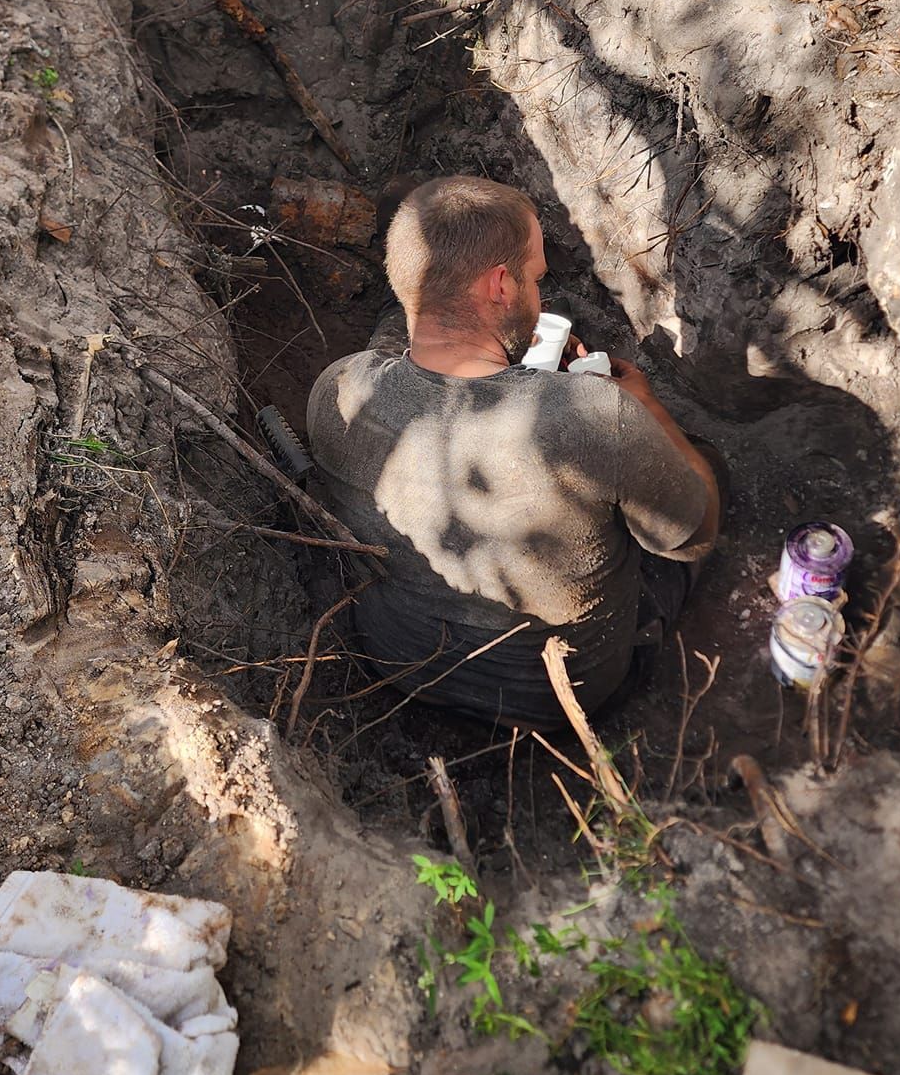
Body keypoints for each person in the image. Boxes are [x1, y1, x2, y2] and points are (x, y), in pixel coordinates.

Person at [305, 176, 721, 728]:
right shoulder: (598, 416)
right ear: (500, 285)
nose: (539, 297)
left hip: (402, 669)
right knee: (705, 467)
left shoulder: (336, 390)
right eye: (535, 278)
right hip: (557, 704)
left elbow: (413, 373)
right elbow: (691, 539)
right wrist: (647, 409)